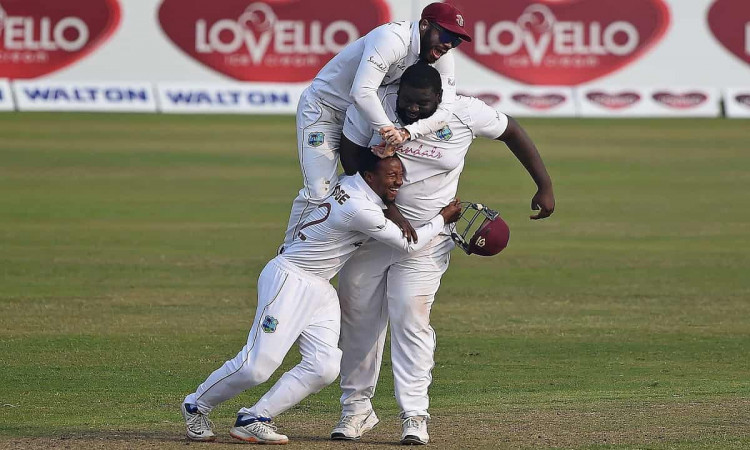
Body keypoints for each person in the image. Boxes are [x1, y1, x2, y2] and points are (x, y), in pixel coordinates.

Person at [331, 62, 555, 445]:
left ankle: (414, 416)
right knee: (359, 320)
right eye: (407, 102)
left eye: (423, 103)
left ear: (440, 98)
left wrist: (544, 185)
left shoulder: (464, 111)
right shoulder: (378, 103)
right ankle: (355, 411)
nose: (412, 109)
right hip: (370, 235)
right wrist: (388, 208)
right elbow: (349, 155)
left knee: (410, 319)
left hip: (428, 241)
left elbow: (512, 131)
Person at [180, 153, 462, 444]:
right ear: (369, 176)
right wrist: (443, 219)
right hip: (290, 279)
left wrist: (391, 201)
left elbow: (384, 202)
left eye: (400, 175)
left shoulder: (351, 183)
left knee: (324, 367)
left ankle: (255, 417)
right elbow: (407, 244)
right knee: (257, 367)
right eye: (391, 176)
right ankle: (196, 405)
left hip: (320, 286)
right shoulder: (358, 207)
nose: (399, 181)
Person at [283, 2, 472, 249]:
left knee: (362, 187)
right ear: (424, 25)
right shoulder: (391, 38)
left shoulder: (441, 55)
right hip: (325, 110)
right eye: (446, 35)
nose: (449, 45)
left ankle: (321, 252)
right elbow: (361, 92)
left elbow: (445, 109)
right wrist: (388, 129)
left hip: (365, 118)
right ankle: (289, 253)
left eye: (455, 41)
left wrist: (406, 132)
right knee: (319, 191)